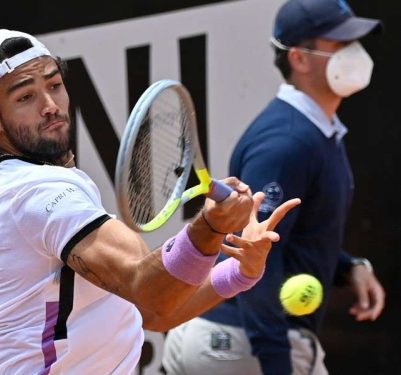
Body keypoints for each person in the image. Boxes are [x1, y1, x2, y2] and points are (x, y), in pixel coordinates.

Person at [0, 29, 300, 374]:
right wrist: (210, 227)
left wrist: (240, 272)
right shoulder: (34, 195)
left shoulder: (50, 184)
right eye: (25, 98)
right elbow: (149, 293)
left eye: (54, 85)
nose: (50, 106)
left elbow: (157, 313)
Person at [162, 0, 386, 374]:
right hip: (241, 344)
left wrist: (349, 267)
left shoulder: (317, 132)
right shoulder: (286, 143)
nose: (356, 54)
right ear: (299, 58)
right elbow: (253, 254)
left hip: (242, 341)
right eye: (340, 44)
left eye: (356, 41)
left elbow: (289, 237)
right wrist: (276, 364)